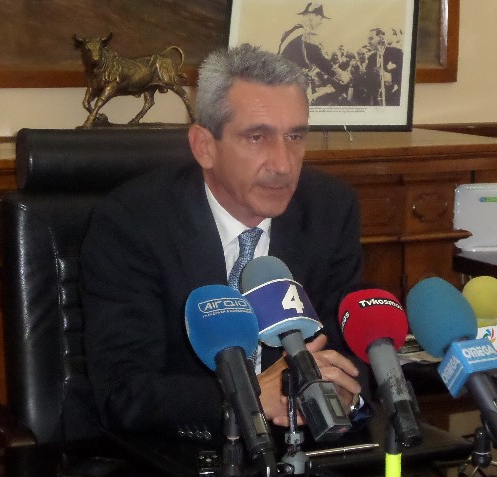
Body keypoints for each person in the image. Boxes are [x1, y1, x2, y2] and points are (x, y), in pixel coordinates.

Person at [81, 43, 368, 438]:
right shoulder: (133, 222)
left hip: (301, 448)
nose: (283, 164)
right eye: (257, 137)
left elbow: (354, 344)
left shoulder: (329, 210)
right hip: (180, 451)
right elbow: (124, 393)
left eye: (295, 136)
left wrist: (346, 390)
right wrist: (249, 397)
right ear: (204, 147)